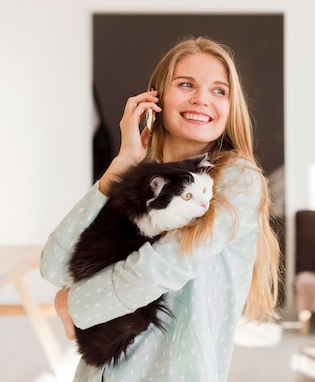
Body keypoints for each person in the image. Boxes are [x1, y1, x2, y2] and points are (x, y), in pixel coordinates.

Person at [40, 36, 282, 382]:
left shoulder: (237, 179)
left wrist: (72, 306)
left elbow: (162, 267)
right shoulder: (141, 183)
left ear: (231, 108)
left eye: (219, 90)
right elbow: (55, 266)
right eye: (186, 84)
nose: (201, 98)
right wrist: (119, 168)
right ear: (156, 98)